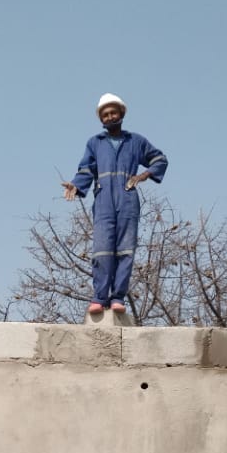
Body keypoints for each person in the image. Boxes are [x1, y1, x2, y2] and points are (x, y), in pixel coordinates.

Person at [61, 93, 168, 314]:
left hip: (127, 198)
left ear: (121, 114)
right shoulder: (95, 143)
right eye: (105, 114)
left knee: (125, 249)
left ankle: (118, 296)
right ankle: (99, 297)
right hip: (103, 201)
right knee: (102, 249)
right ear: (101, 119)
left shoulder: (135, 141)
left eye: (113, 113)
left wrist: (144, 175)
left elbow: (160, 159)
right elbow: (86, 169)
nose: (110, 117)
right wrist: (77, 185)